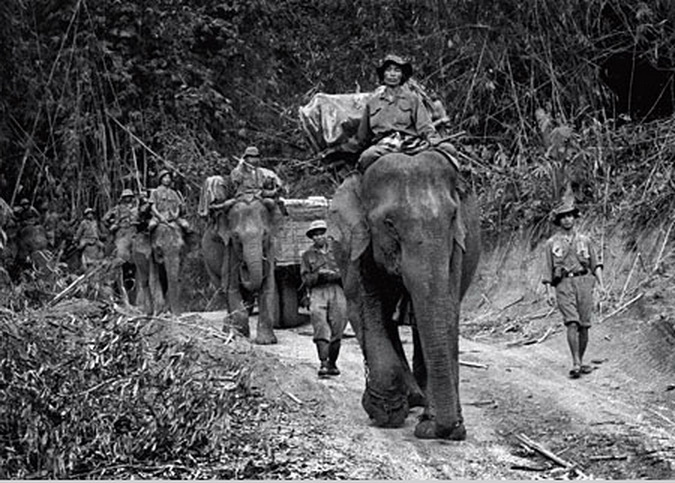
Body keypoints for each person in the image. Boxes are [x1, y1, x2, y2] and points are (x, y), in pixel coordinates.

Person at [349, 54, 446, 171]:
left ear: (402, 75)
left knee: (447, 150)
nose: (392, 74)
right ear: (383, 74)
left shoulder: (413, 99)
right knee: (366, 157)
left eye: (397, 70)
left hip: (411, 143)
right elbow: (362, 136)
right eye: (388, 70)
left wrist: (431, 137)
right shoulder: (372, 103)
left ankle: (459, 186)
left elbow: (424, 125)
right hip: (384, 145)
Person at [542, 200, 605, 379]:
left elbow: (596, 263)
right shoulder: (551, 243)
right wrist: (549, 291)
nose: (567, 220)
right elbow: (547, 269)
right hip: (563, 284)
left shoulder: (585, 240)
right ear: (559, 221)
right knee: (572, 322)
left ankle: (581, 359)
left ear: (574, 218)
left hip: (584, 282)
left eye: (570, 216)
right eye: (563, 217)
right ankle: (576, 362)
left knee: (584, 325)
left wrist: (601, 285)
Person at [300, 220, 348, 378]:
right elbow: (305, 278)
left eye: (321, 233)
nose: (318, 237)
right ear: (312, 238)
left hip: (337, 290)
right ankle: (323, 363)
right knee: (320, 325)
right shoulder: (307, 255)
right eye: (315, 235)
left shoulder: (338, 252)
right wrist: (318, 275)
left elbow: (349, 273)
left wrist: (337, 275)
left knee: (338, 326)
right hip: (318, 291)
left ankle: (332, 363)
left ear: (327, 235)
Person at [103, 188, 139, 265]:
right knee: (120, 250)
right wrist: (113, 224)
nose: (127, 198)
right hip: (122, 230)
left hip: (134, 230)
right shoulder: (118, 208)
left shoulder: (137, 206)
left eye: (129, 196)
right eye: (126, 196)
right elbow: (105, 218)